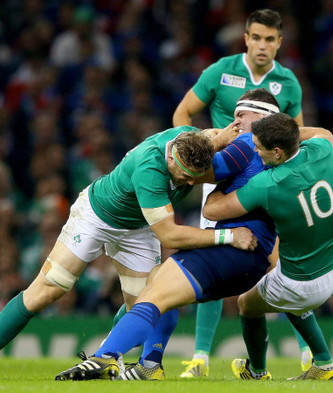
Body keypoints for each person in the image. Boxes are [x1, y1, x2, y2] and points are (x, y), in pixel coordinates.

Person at [0, 124, 256, 381]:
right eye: (185, 175)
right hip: (98, 216)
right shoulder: (151, 168)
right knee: (49, 288)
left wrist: (230, 136)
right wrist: (228, 236)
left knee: (156, 300)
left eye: (194, 176)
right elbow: (170, 234)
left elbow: (213, 137)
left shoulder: (192, 142)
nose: (190, 182)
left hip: (138, 228)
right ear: (172, 159)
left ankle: (126, 362)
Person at [53, 89, 281, 382]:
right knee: (160, 282)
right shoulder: (282, 155)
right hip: (251, 257)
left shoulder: (249, 142)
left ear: (262, 118)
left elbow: (198, 170)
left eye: (240, 115)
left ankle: (106, 357)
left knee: (155, 293)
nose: (233, 122)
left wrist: (166, 154)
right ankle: (149, 364)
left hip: (236, 249)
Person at [172, 8, 306, 377]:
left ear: (280, 43)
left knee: (283, 260)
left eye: (270, 39)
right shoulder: (220, 71)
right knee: (209, 257)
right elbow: (182, 115)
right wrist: (206, 147)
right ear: (246, 38)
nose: (262, 46)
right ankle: (199, 357)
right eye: (256, 38)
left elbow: (297, 134)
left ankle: (308, 354)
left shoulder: (289, 83)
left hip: (267, 178)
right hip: (222, 178)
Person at [203, 113, 333, 380]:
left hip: (304, 284)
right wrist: (288, 132)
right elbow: (324, 131)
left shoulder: (267, 184)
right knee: (284, 288)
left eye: (257, 147)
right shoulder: (322, 151)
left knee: (247, 303)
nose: (254, 151)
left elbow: (212, 211)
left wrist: (222, 184)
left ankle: (256, 371)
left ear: (278, 153)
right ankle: (325, 363)